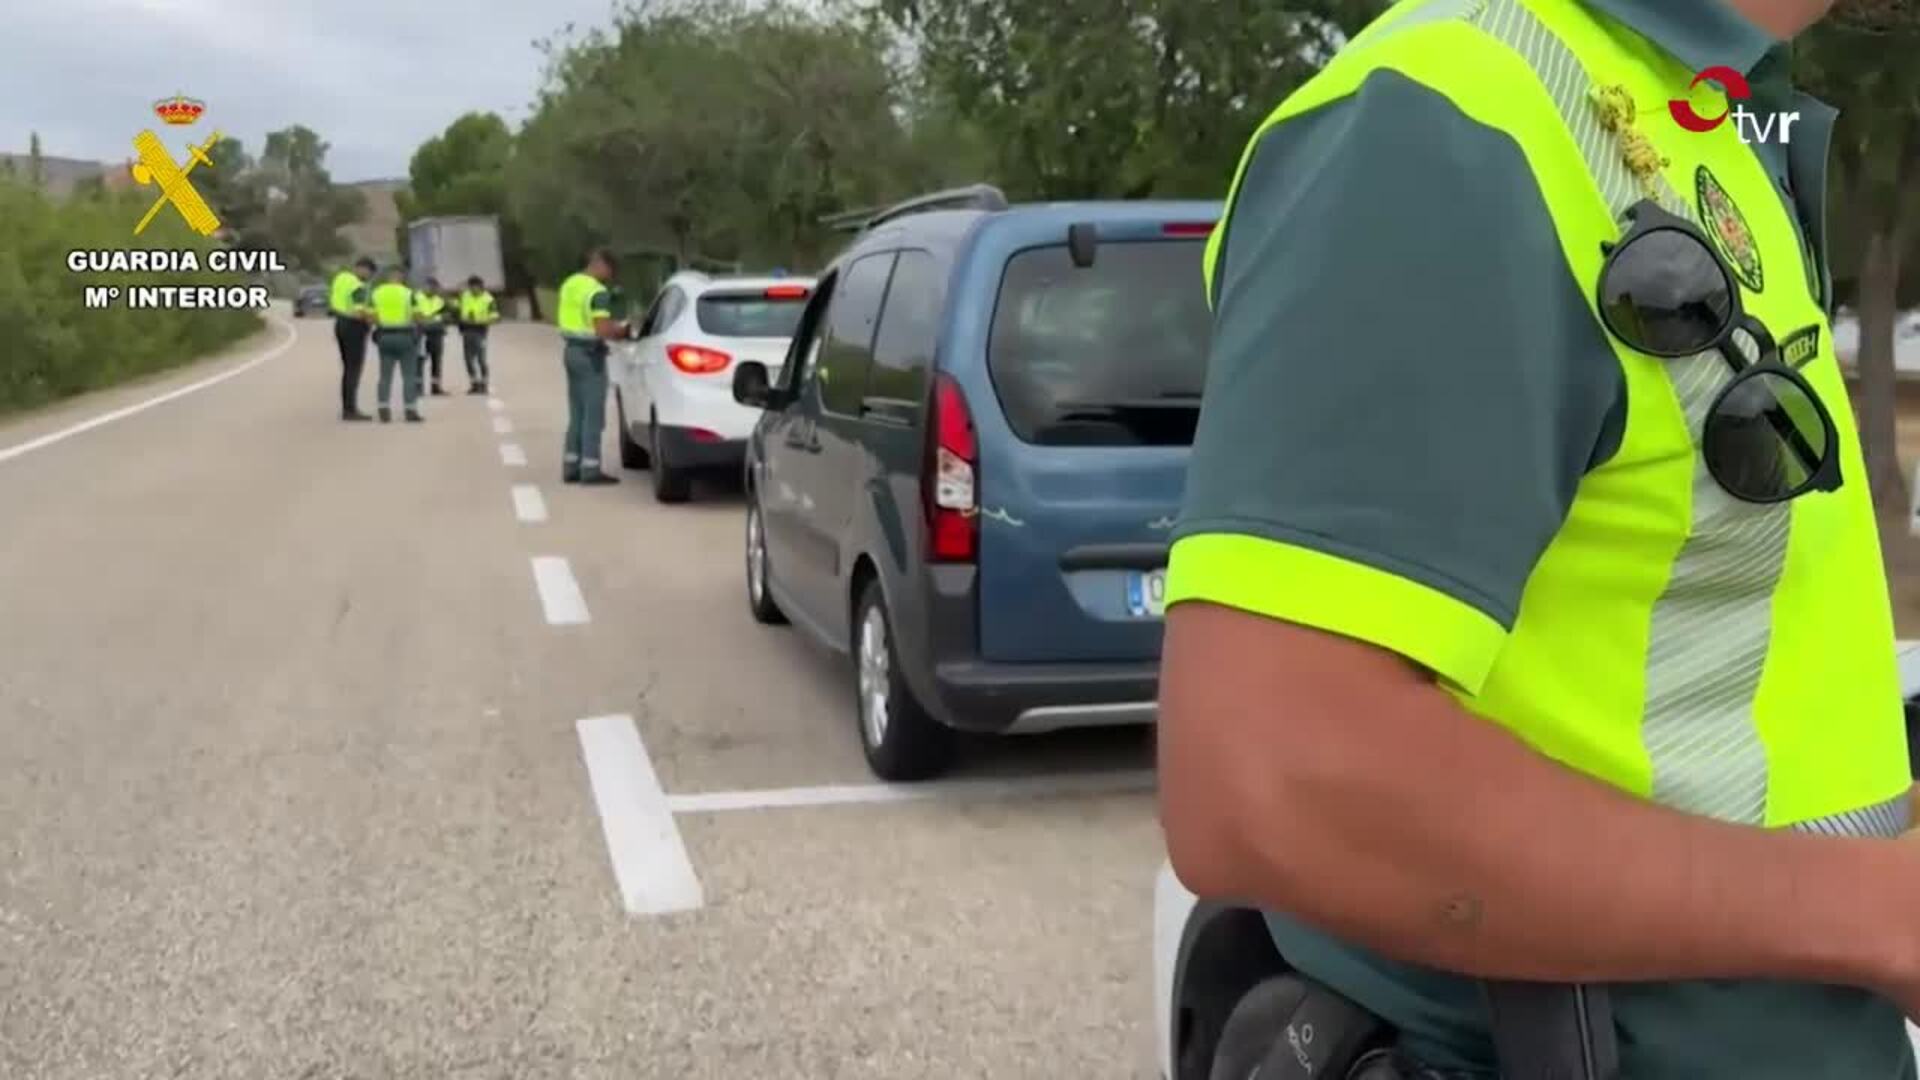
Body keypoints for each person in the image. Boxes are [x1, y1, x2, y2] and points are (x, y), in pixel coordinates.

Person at [1156, 1, 1919, 1079]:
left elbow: (1698, 684)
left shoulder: (1699, 111)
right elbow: (1273, 778)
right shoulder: (1447, 121)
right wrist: (1873, 911)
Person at [555, 248, 634, 485]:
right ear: (599, 264)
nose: (610, 276)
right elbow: (602, 330)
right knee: (593, 415)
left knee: (577, 412)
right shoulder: (597, 292)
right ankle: (590, 469)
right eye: (610, 270)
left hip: (571, 351)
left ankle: (571, 466)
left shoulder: (570, 284)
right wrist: (622, 331)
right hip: (590, 356)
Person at [368, 265, 424, 424]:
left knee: (385, 376)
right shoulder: (408, 293)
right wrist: (418, 328)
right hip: (405, 336)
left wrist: (380, 325)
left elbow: (370, 316)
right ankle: (410, 410)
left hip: (385, 336)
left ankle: (383, 408)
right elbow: (418, 315)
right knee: (409, 375)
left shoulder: (376, 293)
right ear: (401, 277)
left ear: (388, 277)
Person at [328, 257, 375, 421]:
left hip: (340, 323)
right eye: (369, 273)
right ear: (365, 269)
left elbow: (336, 302)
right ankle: (350, 409)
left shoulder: (341, 279)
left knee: (348, 368)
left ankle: (347, 407)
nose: (368, 277)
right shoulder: (358, 286)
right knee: (354, 369)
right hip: (354, 327)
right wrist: (373, 320)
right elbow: (360, 312)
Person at [457, 275, 499, 395]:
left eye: (475, 287)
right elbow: (458, 309)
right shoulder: (465, 296)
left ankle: (484, 383)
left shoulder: (488, 299)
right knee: (468, 359)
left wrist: (481, 321)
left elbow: (495, 317)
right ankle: (474, 384)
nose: (473, 289)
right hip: (467, 331)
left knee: (481, 359)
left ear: (481, 287)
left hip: (480, 331)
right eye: (471, 287)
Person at [414, 277, 451, 396]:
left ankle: (436, 387)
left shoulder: (440, 301)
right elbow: (413, 315)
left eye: (433, 287)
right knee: (419, 361)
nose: (430, 289)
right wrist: (433, 319)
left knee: (436, 361)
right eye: (428, 286)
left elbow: (447, 315)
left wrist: (430, 319)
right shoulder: (416, 298)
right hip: (421, 334)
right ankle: (417, 388)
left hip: (437, 333)